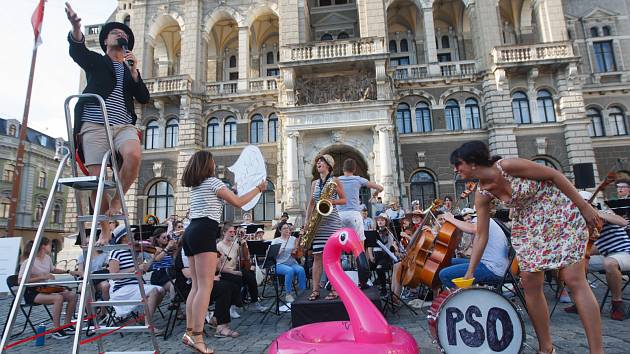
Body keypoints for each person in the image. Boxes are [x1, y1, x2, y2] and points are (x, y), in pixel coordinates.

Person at [450, 140, 603, 354]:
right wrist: (470, 272)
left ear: (473, 163)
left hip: (558, 214)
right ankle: (546, 348)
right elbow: (481, 235)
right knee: (529, 282)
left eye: (458, 164)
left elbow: (554, 175)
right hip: (529, 226)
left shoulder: (507, 166)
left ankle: (597, 351)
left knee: (574, 280)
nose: (456, 170)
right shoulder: (482, 194)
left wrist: (584, 206)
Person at [65, 3, 150, 245]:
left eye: (124, 35)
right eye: (116, 33)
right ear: (105, 42)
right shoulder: (96, 61)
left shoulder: (128, 69)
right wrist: (75, 27)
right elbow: (77, 51)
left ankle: (116, 202)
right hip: (94, 124)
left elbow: (144, 97)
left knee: (134, 155)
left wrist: (135, 74)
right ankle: (104, 229)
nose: (121, 35)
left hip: (123, 125)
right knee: (96, 180)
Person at [180, 150, 266, 353]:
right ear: (207, 165)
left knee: (196, 286)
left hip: (191, 232)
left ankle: (189, 332)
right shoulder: (213, 182)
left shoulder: (198, 186)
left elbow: (228, 196)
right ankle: (198, 338)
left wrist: (233, 189)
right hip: (204, 232)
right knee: (205, 287)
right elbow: (238, 203)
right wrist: (258, 189)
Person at [564, 191, 630, 320]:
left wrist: (598, 214)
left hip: (625, 253)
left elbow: (623, 222)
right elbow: (592, 248)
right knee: (573, 265)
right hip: (606, 254)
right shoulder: (581, 222)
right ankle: (582, 301)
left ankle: (618, 304)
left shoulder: (604, 214)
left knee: (610, 263)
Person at [174, 239, 242, 339]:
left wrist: (217, 260)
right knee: (224, 288)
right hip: (188, 288)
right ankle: (221, 327)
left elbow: (211, 270)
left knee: (233, 284)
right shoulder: (184, 252)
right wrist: (210, 277)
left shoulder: (200, 250)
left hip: (202, 284)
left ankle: (215, 318)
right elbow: (188, 274)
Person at [107, 226, 165, 333]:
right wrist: (134, 268)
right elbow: (114, 275)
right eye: (131, 234)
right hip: (121, 289)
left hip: (134, 287)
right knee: (153, 291)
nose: (134, 236)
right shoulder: (116, 252)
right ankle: (148, 325)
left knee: (161, 290)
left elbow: (145, 269)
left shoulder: (133, 252)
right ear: (124, 237)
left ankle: (145, 317)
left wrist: (153, 257)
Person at [18, 238, 78, 339]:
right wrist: (42, 277)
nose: (52, 247)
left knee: (72, 295)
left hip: (44, 289)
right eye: (50, 245)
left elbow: (53, 269)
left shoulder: (47, 258)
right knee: (58, 298)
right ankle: (56, 329)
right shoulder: (28, 261)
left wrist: (68, 272)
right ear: (43, 247)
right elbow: (20, 281)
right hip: (32, 292)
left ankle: (67, 325)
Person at [305, 154, 346, 301]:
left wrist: (331, 201)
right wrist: (307, 222)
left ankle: (335, 289)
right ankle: (315, 290)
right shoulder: (314, 183)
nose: (318, 164)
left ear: (328, 165)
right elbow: (310, 204)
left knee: (333, 258)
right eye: (317, 162)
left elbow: (344, 199)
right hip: (318, 225)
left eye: (321, 161)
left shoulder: (335, 181)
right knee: (317, 257)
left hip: (332, 224)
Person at [439, 210, 509, 288]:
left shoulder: (479, 219)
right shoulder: (484, 219)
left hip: (492, 269)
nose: (466, 222)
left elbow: (473, 228)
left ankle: (462, 298)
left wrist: (451, 219)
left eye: (467, 219)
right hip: (489, 264)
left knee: (444, 274)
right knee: (447, 261)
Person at [217, 224, 267, 315]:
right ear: (224, 233)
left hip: (235, 270)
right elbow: (219, 267)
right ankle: (232, 307)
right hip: (225, 272)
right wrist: (234, 272)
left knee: (250, 276)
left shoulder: (235, 245)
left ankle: (254, 302)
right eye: (230, 232)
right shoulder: (219, 246)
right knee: (237, 279)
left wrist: (243, 244)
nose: (232, 234)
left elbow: (244, 257)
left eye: (234, 232)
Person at [337, 158, 383, 241]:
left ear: (343, 169)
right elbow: (380, 188)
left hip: (339, 215)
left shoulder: (336, 180)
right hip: (354, 213)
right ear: (354, 170)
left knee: (340, 241)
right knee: (359, 242)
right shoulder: (358, 179)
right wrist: (375, 193)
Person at [271, 223, 307, 303]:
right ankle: (288, 294)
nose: (287, 230)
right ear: (280, 230)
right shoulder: (276, 241)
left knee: (301, 269)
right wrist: (279, 251)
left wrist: (301, 236)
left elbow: (299, 249)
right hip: (279, 264)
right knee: (289, 271)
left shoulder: (293, 239)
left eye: (288, 228)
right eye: (284, 228)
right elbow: (271, 255)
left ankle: (303, 292)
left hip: (292, 263)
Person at [144, 228, 177, 299]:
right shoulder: (153, 248)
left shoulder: (169, 248)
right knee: (174, 284)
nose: (166, 239)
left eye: (167, 237)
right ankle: (174, 302)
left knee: (179, 282)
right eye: (163, 237)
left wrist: (175, 249)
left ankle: (175, 304)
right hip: (160, 275)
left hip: (170, 273)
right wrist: (167, 247)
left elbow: (174, 260)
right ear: (157, 239)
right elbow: (157, 259)